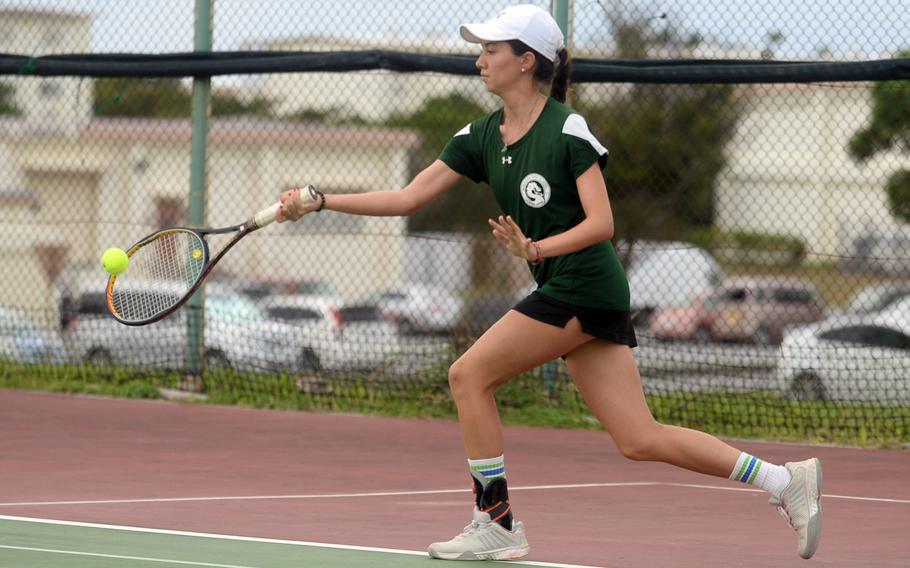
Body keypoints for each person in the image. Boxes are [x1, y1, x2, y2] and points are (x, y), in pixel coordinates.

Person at [276, 4, 822, 562]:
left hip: (583, 285)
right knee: (639, 439)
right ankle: (783, 480)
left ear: (526, 61)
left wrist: (536, 249)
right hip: (573, 289)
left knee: (468, 375)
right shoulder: (481, 135)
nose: (480, 60)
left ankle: (496, 522)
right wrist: (321, 201)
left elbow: (601, 224)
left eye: (492, 50)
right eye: (481, 50)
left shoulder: (566, 129)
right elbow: (408, 197)